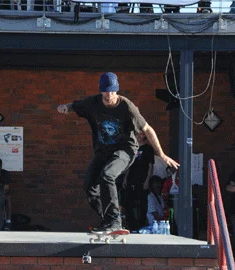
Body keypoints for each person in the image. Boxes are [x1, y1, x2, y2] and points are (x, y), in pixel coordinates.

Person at [57, 72, 179, 233]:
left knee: (108, 175)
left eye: (113, 93)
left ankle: (114, 221)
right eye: (106, 93)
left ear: (117, 90)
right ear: (101, 91)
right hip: (103, 152)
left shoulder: (127, 106)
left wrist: (161, 154)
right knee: (89, 186)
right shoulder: (93, 103)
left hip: (125, 150)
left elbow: (147, 129)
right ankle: (110, 219)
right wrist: (66, 107)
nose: (109, 97)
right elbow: (76, 105)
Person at [123, 130, 155, 231]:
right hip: (131, 178)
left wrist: (147, 180)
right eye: (138, 134)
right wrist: (125, 178)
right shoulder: (132, 148)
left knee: (142, 204)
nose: (140, 136)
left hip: (142, 179)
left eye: (142, 134)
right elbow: (128, 165)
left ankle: (140, 225)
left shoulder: (148, 149)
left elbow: (151, 166)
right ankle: (131, 226)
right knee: (129, 204)